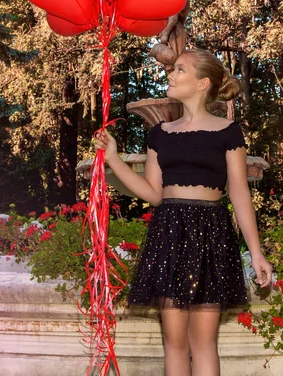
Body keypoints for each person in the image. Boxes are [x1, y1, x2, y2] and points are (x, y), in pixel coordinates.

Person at [95, 48, 272, 376]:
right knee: (174, 341)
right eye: (172, 69)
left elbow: (239, 192)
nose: (170, 75)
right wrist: (114, 159)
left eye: (180, 70)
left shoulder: (227, 132)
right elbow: (153, 193)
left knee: (202, 341)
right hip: (169, 232)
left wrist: (257, 253)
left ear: (203, 83)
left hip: (211, 234)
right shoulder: (160, 133)